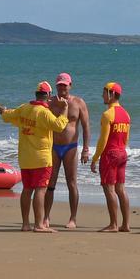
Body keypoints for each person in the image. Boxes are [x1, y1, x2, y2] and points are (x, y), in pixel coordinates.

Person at [0, 81, 68, 233]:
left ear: (36, 94)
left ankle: (25, 224)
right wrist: (64, 110)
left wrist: (3, 111)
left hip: (25, 158)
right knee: (40, 190)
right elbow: (59, 126)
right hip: (41, 159)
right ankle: (39, 224)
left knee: (27, 189)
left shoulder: (24, 108)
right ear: (48, 96)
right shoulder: (43, 112)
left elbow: (8, 115)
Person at [44, 72, 90, 229]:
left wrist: (85, 149)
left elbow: (86, 127)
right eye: (59, 85)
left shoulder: (78, 102)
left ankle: (73, 218)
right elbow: (37, 116)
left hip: (70, 147)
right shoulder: (50, 102)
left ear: (70, 85)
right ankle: (46, 217)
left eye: (65, 84)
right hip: (53, 147)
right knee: (50, 182)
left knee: (72, 183)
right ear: (56, 86)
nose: (62, 87)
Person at [90, 81, 131, 232]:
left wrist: (95, 159)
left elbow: (103, 140)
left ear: (112, 94)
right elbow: (126, 139)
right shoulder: (126, 114)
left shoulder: (107, 115)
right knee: (121, 188)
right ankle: (126, 224)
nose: (102, 95)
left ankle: (114, 224)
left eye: (104, 92)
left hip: (110, 154)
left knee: (109, 189)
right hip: (122, 153)